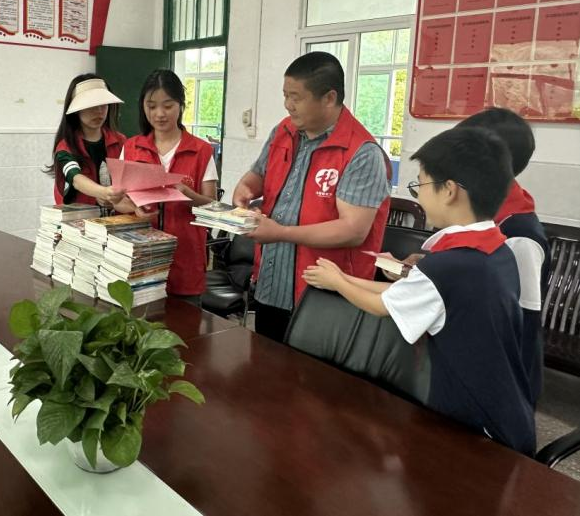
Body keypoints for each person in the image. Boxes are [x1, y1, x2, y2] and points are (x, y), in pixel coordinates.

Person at [303, 127, 536, 456]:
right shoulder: (496, 251)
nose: (418, 196)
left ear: (449, 191)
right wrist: (342, 276)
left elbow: (382, 305)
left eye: (421, 185)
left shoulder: (449, 266)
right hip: (510, 408)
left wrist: (339, 283)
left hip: (478, 425)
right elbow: (405, 290)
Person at [232, 51, 391, 343]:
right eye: (285, 95)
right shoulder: (283, 131)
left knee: (311, 372)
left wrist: (281, 233)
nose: (287, 105)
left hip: (326, 296)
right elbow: (258, 174)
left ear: (329, 98)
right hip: (272, 284)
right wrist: (245, 187)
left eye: (296, 97)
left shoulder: (361, 153)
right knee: (266, 363)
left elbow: (353, 230)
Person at [457, 107, 548, 404]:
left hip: (499, 382)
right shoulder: (477, 214)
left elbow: (523, 321)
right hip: (466, 358)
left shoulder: (520, 235)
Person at [119, 69, 218, 299]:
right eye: (151, 106)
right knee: (141, 318)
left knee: (186, 321)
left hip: (186, 258)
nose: (160, 114)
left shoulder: (201, 151)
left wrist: (188, 195)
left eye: (168, 105)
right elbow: (120, 201)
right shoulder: (132, 148)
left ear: (181, 105)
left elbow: (213, 207)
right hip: (140, 258)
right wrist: (134, 208)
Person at [47, 74, 126, 208]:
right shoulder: (65, 147)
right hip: (78, 218)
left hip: (116, 218)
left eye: (103, 105)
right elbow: (76, 179)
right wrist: (103, 192)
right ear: (76, 110)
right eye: (91, 106)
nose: (99, 111)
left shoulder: (120, 141)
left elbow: (128, 180)